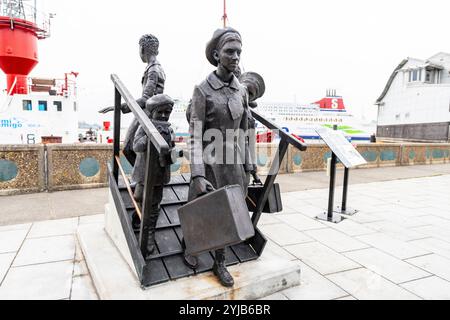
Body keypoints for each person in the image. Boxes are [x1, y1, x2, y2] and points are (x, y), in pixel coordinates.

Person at [186, 27, 253, 288]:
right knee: (205, 208)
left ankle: (219, 260)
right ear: (216, 55)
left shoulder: (241, 91)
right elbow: (194, 134)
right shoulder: (203, 90)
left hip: (233, 160)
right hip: (210, 158)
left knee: (230, 211)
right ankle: (195, 247)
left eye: (238, 52)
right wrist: (198, 173)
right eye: (229, 51)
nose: (235, 56)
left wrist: (248, 163)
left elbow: (246, 130)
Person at [99, 34, 166, 166]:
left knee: (129, 148)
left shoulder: (153, 70)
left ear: (142, 49)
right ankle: (142, 179)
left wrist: (119, 106)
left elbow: (146, 98)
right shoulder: (156, 68)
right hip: (148, 113)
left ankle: (142, 179)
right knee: (134, 149)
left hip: (146, 114)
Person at [132, 94, 175, 255]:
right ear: (152, 112)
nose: (164, 116)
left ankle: (149, 234)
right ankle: (139, 219)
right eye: (160, 112)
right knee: (139, 197)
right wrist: (151, 136)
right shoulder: (145, 126)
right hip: (145, 171)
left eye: (167, 112)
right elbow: (136, 146)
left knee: (154, 204)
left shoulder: (169, 129)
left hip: (160, 173)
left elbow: (172, 146)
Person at [239, 72, 266, 184]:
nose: (246, 94)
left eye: (250, 94)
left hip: (242, 160)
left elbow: (250, 142)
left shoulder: (249, 115)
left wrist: (253, 168)